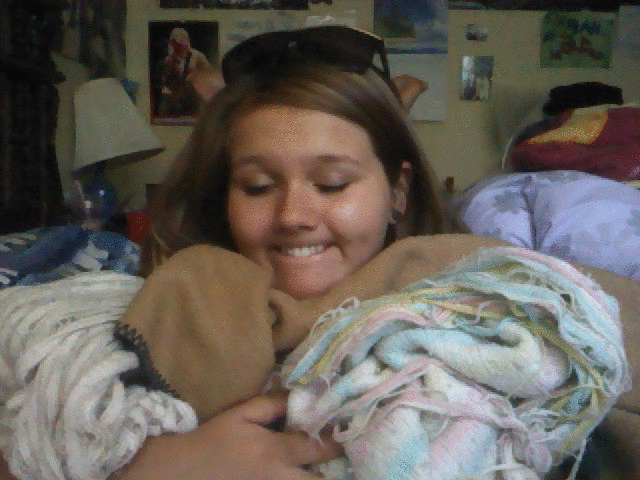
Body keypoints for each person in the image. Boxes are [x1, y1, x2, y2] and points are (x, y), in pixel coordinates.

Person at [1, 26, 639, 480]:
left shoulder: (495, 289)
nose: (293, 215)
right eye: (258, 186)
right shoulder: (157, 303)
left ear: (397, 192)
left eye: (332, 184)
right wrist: (150, 469)